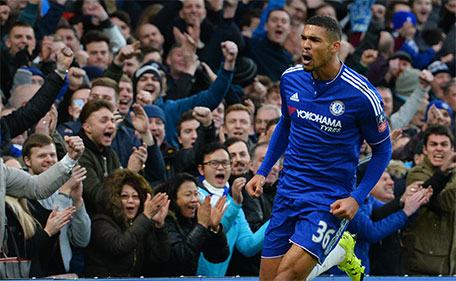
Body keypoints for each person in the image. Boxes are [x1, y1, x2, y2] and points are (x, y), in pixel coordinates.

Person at [246, 15, 392, 281]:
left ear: (335, 47)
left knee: (286, 278)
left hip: (329, 199)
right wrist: (262, 170)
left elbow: (383, 151)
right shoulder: (290, 79)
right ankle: (338, 253)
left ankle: (337, 250)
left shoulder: (361, 95)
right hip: (288, 191)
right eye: (303, 38)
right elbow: (286, 123)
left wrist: (356, 198)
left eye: (314, 40)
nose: (305, 46)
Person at [83, 169, 170, 277]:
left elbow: (160, 257)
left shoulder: (141, 223)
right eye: (124, 196)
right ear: (114, 199)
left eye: (135, 197)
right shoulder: (100, 222)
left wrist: (159, 226)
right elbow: (120, 246)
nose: (131, 201)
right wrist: (146, 216)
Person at [153, 173, 229, 276]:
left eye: (196, 194)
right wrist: (201, 226)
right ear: (174, 198)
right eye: (188, 195)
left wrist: (215, 228)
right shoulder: (163, 220)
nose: (194, 199)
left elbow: (218, 256)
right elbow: (180, 259)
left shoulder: (194, 220)